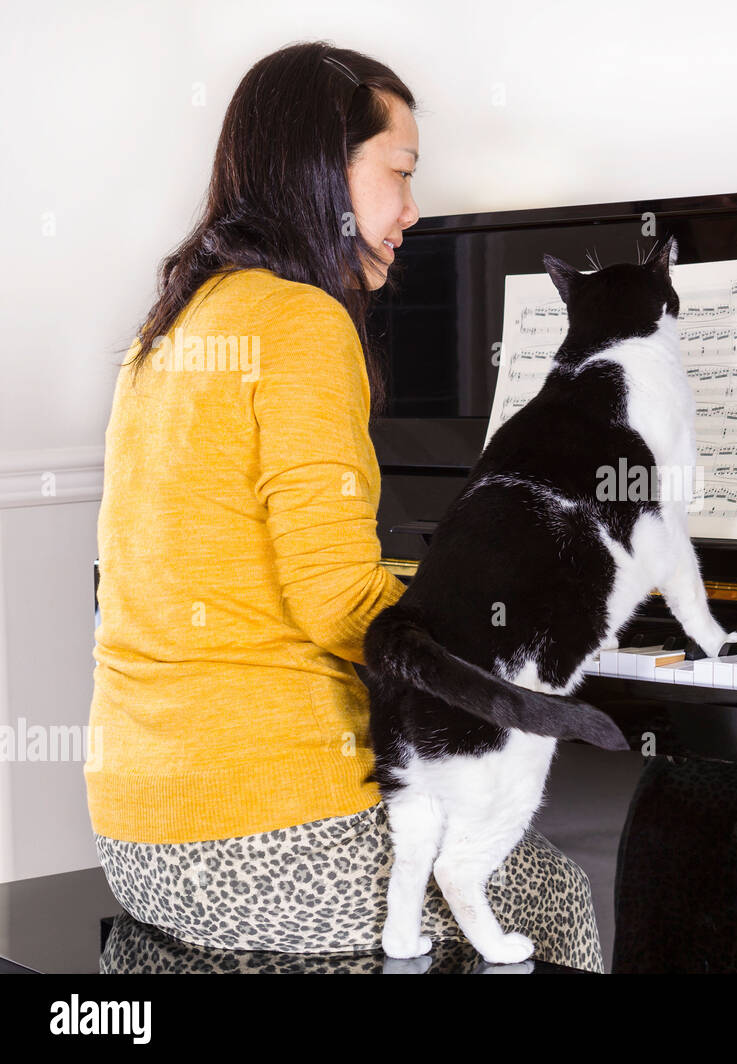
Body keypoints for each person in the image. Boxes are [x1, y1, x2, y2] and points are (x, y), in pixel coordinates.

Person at [86, 41, 602, 972]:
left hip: (139, 831)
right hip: (260, 840)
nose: (412, 210)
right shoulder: (301, 320)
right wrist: (509, 631)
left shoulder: (171, 323)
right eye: (398, 173)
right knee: (553, 891)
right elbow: (335, 601)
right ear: (322, 170)